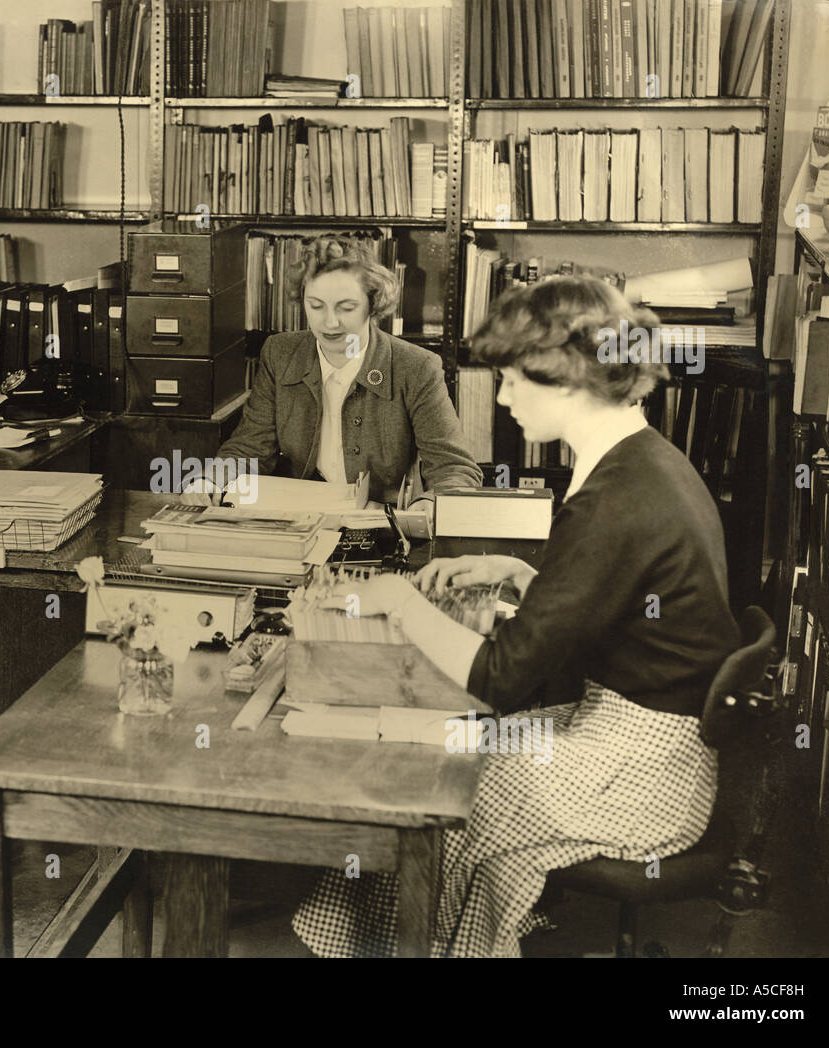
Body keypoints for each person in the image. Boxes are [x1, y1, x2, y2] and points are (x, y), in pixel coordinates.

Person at [291, 275, 741, 956]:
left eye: (511, 381)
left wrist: (402, 600)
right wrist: (526, 575)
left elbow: (500, 677)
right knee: (453, 748)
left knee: (435, 785)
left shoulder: (615, 498)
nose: (501, 398)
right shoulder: (646, 461)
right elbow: (626, 612)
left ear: (564, 377)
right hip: (645, 739)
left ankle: (401, 949)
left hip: (644, 777)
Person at [205, 234, 481, 504]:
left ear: (373, 305)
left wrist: (429, 506)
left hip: (380, 524)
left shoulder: (416, 367)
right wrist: (210, 482)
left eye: (346, 308)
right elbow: (249, 448)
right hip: (295, 518)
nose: (330, 323)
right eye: (316, 306)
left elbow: (453, 468)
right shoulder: (280, 353)